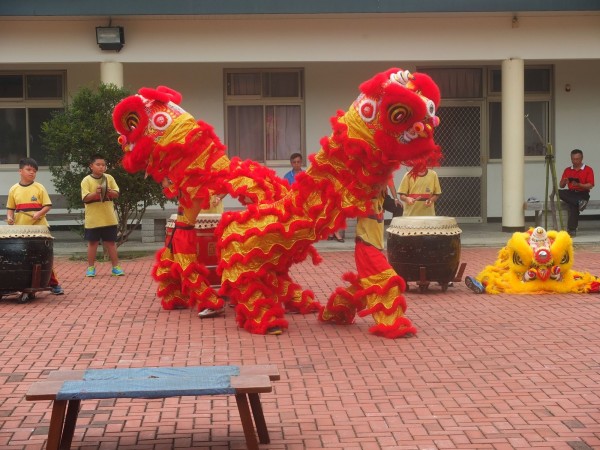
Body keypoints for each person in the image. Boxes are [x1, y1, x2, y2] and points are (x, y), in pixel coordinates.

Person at [6, 158, 64, 295]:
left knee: (44, 258)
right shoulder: (14, 189)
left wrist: (39, 214)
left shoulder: (39, 187)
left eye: (34, 171)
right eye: (29, 170)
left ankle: (54, 284)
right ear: (20, 171)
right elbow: (10, 208)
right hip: (21, 230)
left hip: (40, 229)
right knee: (22, 258)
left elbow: (47, 205)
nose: (32, 173)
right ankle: (20, 284)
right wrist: (10, 218)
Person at [81, 154, 124, 277]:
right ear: (91, 166)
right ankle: (90, 268)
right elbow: (85, 198)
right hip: (93, 218)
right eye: (98, 165)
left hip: (108, 217)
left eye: (103, 165)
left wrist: (110, 192)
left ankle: (116, 267)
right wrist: (96, 193)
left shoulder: (109, 178)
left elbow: (117, 193)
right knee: (92, 243)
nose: (101, 167)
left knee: (111, 243)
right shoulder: (86, 180)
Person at [558, 149, 594, 236]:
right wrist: (564, 181)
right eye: (573, 159)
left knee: (573, 206)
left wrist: (579, 184)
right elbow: (561, 185)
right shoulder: (567, 170)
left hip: (582, 194)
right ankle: (579, 203)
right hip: (571, 193)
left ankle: (572, 230)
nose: (575, 161)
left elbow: (591, 185)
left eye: (577, 159)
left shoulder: (588, 169)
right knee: (558, 192)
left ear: (582, 158)